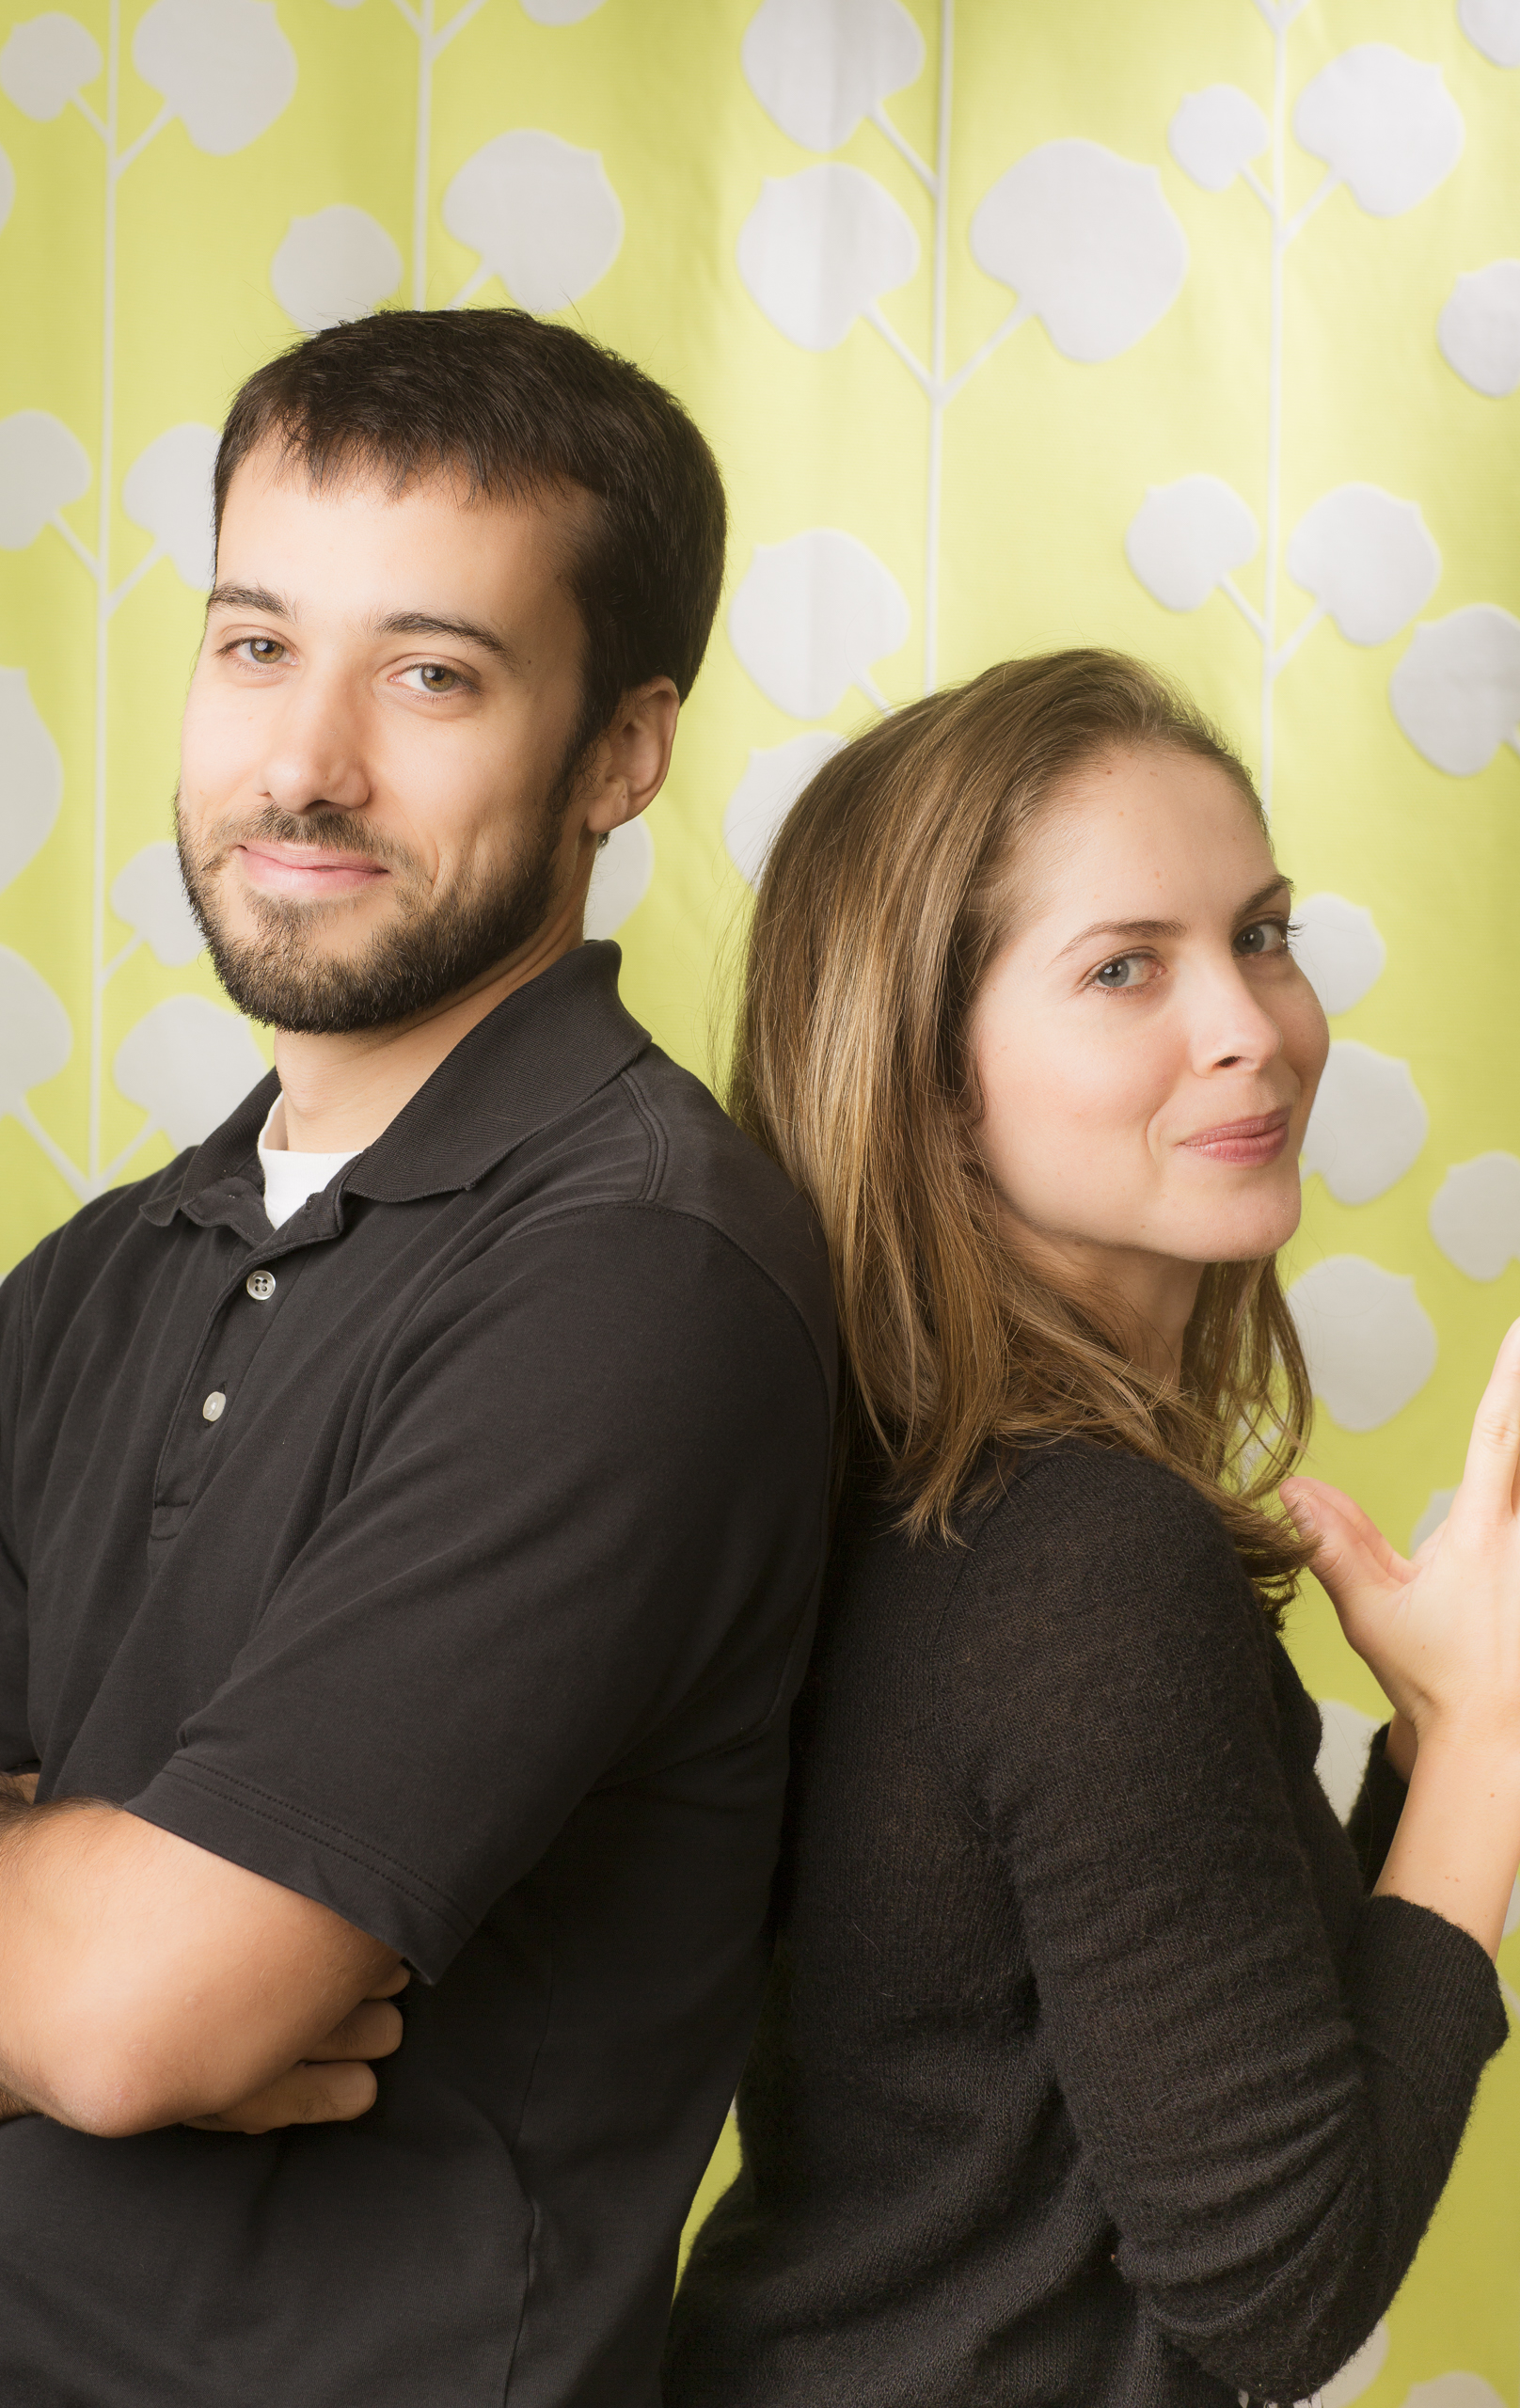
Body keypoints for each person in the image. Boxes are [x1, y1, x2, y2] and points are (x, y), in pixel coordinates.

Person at [0, 309, 835, 2408]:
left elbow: (136, 2012)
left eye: (432, 672)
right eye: (257, 643)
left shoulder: (635, 1272)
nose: (303, 762)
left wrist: (112, 1947)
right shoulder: (105, 1269)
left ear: (624, 753)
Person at [665, 651, 1520, 2408]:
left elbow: (1164, 2084)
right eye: (1124, 968)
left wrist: (1418, 1745)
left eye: (1262, 932)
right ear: (930, 1078)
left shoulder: (938, 1504)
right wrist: (1489, 1754)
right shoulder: (1086, 1554)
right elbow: (1278, 2294)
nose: (1253, 1023)